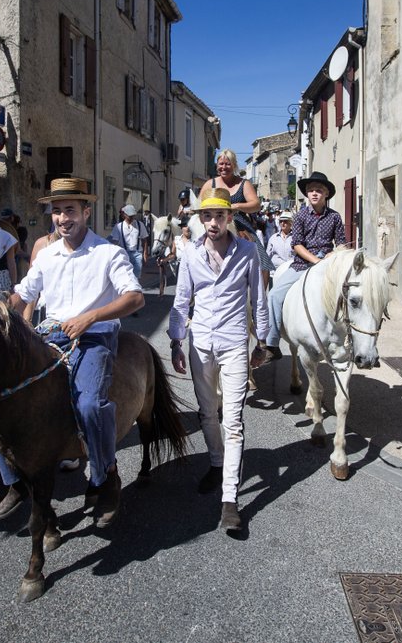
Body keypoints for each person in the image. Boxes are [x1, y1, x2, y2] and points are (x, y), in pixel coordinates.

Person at [5, 177, 144, 526]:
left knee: (88, 404)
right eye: (57, 211)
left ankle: (106, 473)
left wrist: (90, 317)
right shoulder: (47, 256)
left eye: (70, 210)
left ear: (86, 211)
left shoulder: (108, 252)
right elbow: (22, 294)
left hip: (95, 335)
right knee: (1, 391)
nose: (63, 218)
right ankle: (16, 477)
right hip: (50, 335)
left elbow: (135, 297)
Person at [169, 189, 269, 533]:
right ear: (200, 219)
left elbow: (258, 297)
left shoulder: (247, 251)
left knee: (234, 419)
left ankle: (230, 499)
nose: (213, 223)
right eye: (207, 216)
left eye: (219, 216)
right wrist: (175, 341)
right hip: (200, 345)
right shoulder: (191, 256)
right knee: (207, 412)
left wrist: (264, 341)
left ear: (229, 218)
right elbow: (182, 301)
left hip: (234, 343)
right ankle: (215, 461)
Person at [263, 171, 346, 360]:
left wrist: (330, 256)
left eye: (318, 190)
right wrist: (315, 261)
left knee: (351, 294)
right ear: (307, 194)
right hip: (302, 264)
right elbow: (297, 244)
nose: (314, 193)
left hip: (328, 263)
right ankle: (272, 343)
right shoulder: (300, 216)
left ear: (326, 194)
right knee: (274, 296)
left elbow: (341, 243)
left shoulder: (334, 217)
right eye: (311, 190)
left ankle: (351, 337)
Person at [201, 149, 272, 286]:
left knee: (261, 257)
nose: (224, 167)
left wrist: (237, 206)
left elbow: (256, 204)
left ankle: (259, 295)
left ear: (234, 165)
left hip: (239, 223)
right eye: (221, 164)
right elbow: (200, 204)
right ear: (217, 165)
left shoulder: (243, 184)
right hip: (214, 223)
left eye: (227, 164)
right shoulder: (210, 184)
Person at [111, 204, 149, 278]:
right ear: (124, 215)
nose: (132, 218)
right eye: (130, 216)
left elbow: (144, 240)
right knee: (126, 276)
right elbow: (114, 242)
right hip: (124, 254)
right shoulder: (118, 227)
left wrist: (145, 254)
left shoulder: (140, 224)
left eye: (133, 216)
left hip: (137, 254)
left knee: (136, 277)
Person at [266, 211, 294, 277]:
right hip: (275, 274)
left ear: (291, 223)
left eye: (285, 221)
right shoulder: (273, 238)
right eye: (281, 221)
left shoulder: (296, 238)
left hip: (291, 273)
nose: (282, 223)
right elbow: (267, 256)